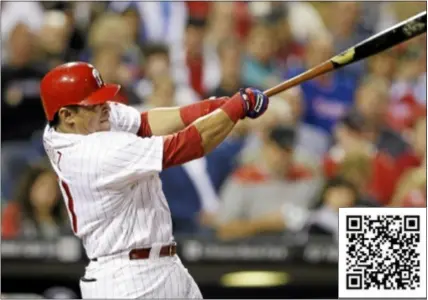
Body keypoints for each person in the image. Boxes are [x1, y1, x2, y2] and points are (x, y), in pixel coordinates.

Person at [39, 61, 269, 299]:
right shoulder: (93, 153)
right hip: (127, 279)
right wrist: (235, 109)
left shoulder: (74, 125)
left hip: (163, 265)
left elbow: (145, 124)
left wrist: (215, 106)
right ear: (67, 116)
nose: (106, 107)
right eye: (95, 104)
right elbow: (187, 145)